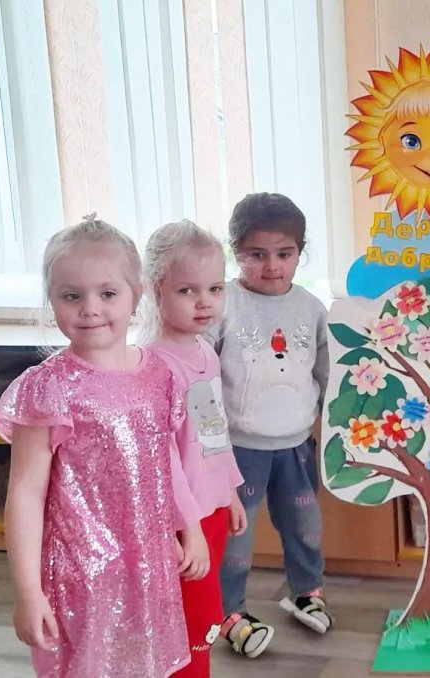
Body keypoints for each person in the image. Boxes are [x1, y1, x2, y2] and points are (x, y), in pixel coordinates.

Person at [0, 217, 192, 676]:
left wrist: (185, 528)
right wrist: (28, 592)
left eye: (107, 293)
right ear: (53, 301)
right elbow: (24, 495)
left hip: (148, 564)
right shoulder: (48, 389)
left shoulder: (158, 375)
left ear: (136, 294)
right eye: (72, 296)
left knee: (145, 663)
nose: (90, 309)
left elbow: (162, 462)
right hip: (80, 572)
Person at [214, 193, 331, 658]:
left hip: (297, 444)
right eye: (256, 254)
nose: (272, 266)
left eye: (284, 253)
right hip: (238, 450)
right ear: (235, 251)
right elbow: (200, 372)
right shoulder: (221, 304)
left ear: (300, 252)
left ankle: (308, 592)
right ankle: (229, 612)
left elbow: (327, 372)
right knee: (235, 537)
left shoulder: (312, 308)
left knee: (305, 524)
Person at [144, 220, 248, 676]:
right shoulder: (152, 363)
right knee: (195, 621)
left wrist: (230, 491)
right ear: (156, 291)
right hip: (183, 519)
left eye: (214, 288)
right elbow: (161, 458)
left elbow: (213, 430)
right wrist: (189, 529)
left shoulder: (205, 350)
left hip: (212, 508)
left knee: (203, 618)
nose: (205, 301)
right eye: (187, 290)